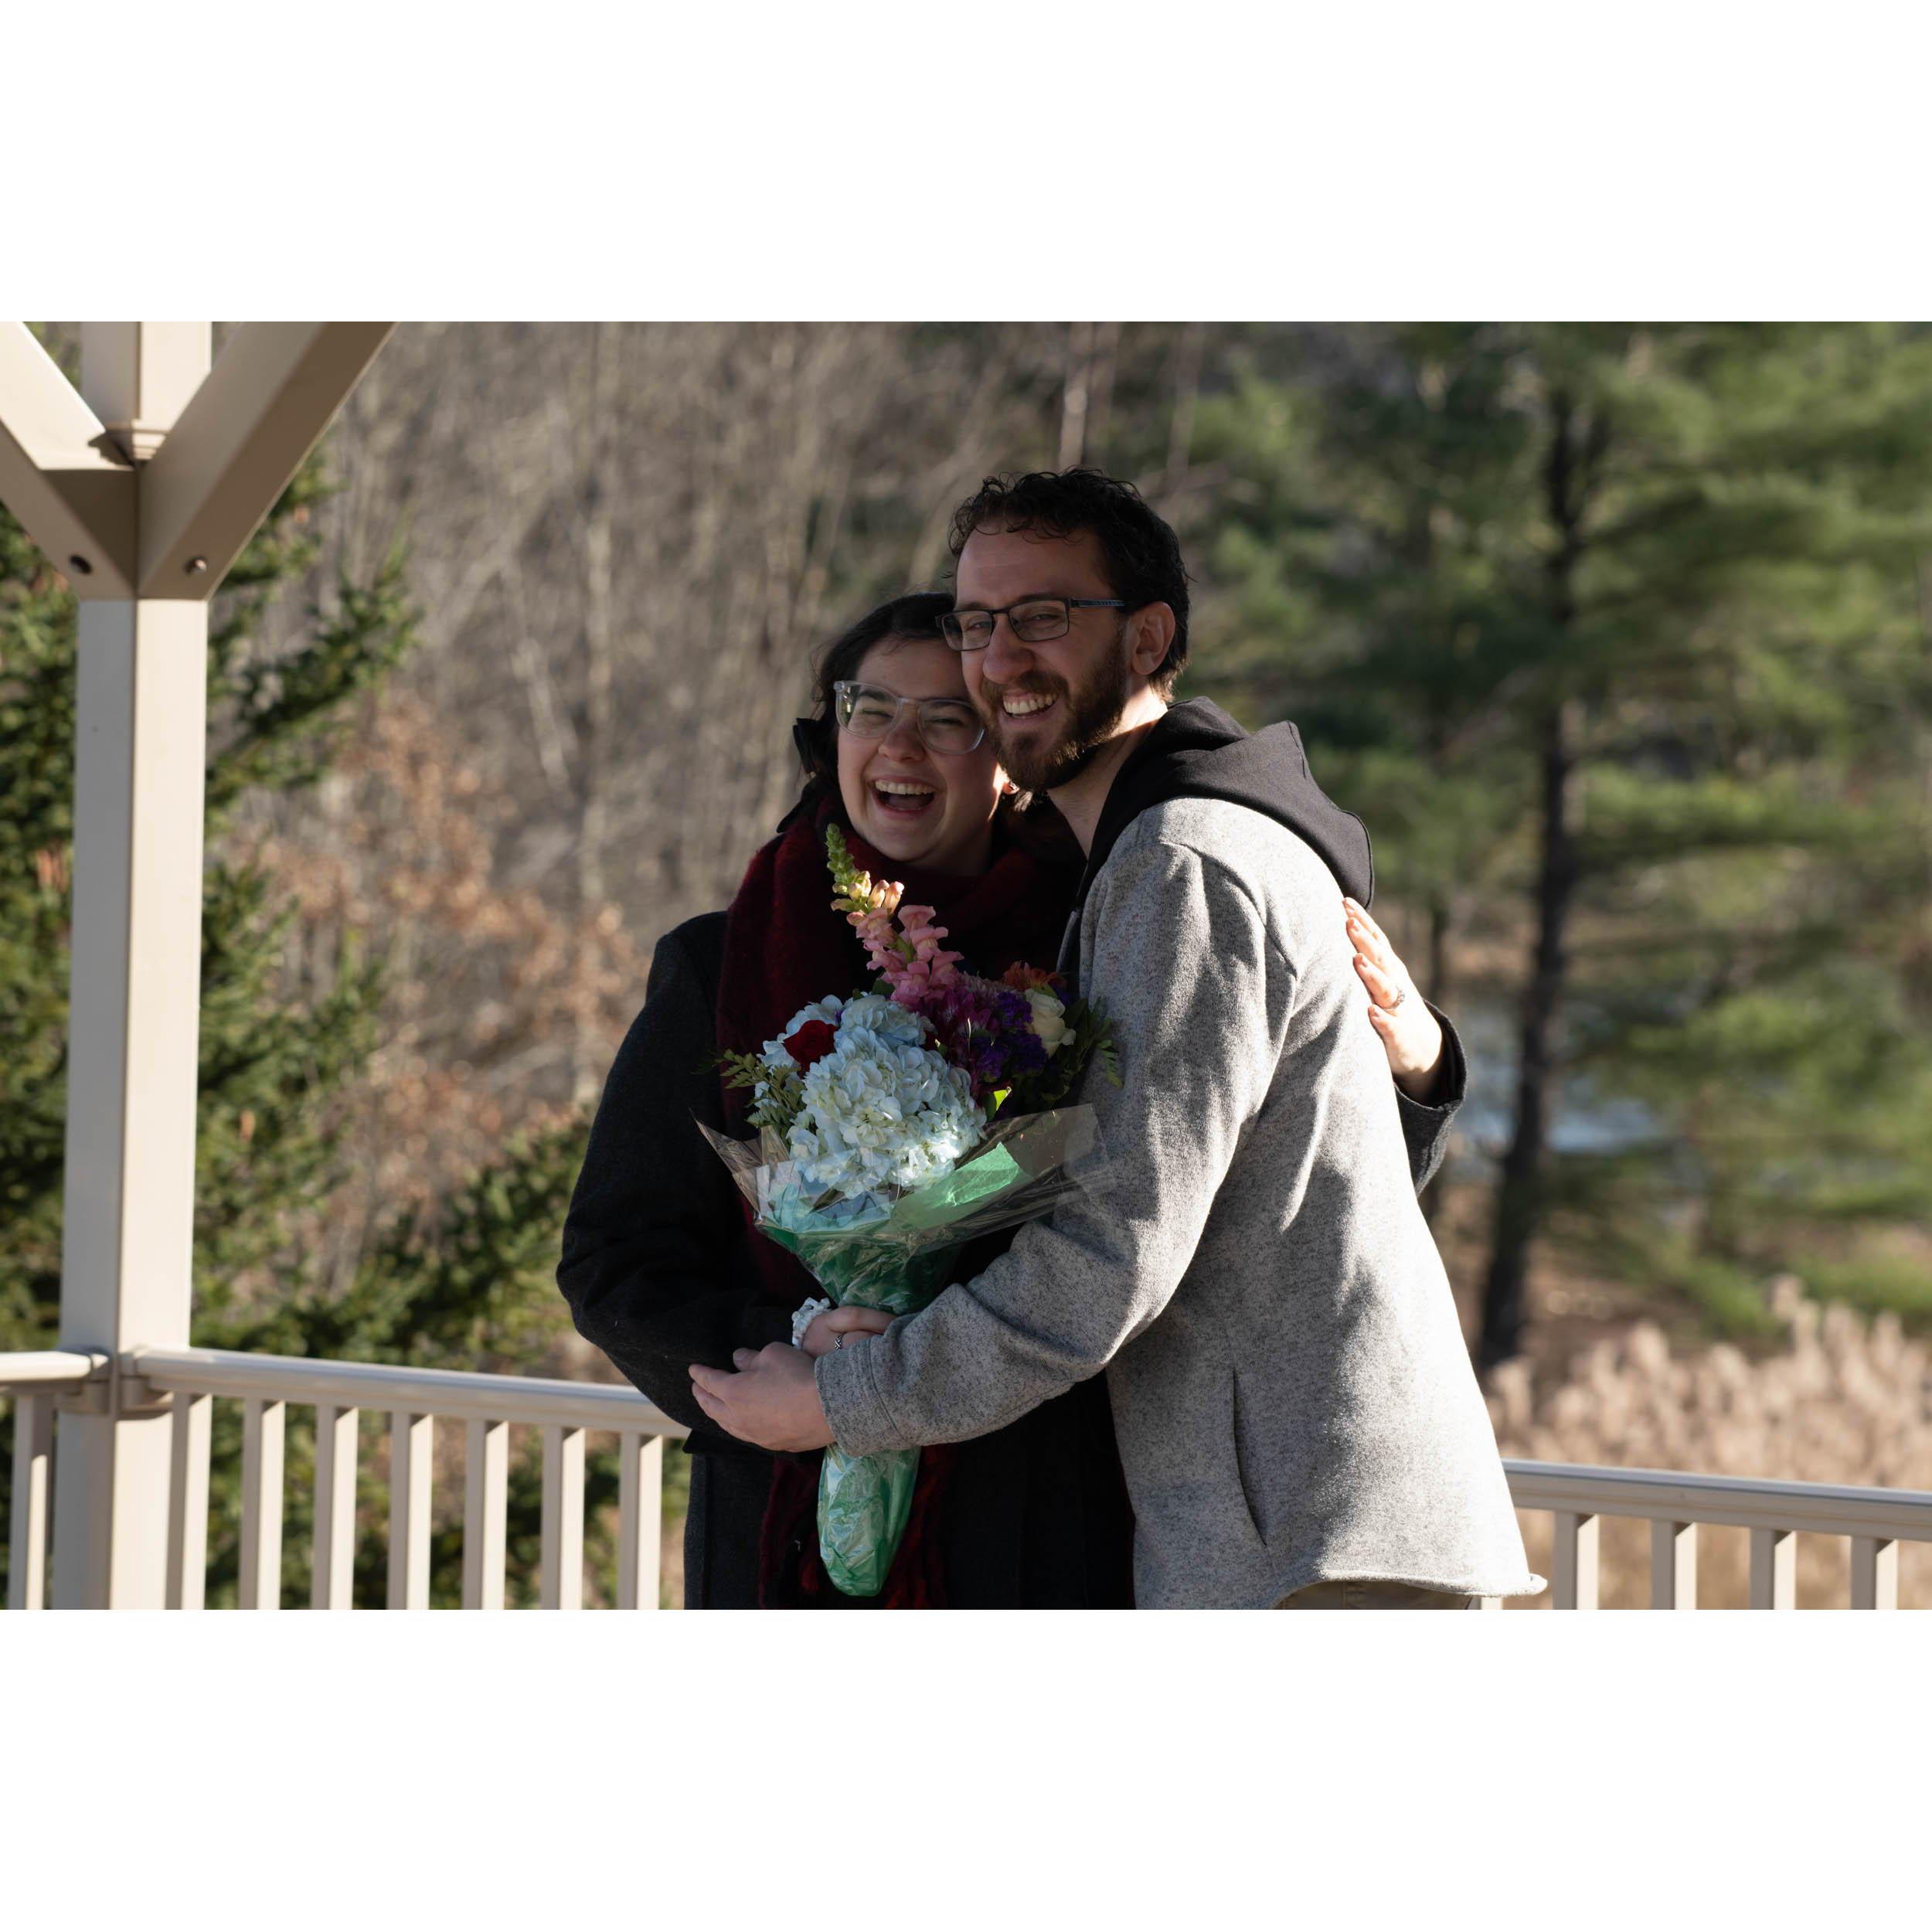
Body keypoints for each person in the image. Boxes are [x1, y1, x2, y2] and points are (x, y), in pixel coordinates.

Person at [689, 472, 1542, 1611]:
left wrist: (846, 1401)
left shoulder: (1180, 867)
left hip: (1312, 1552)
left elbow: (1109, 1253)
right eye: (977, 623)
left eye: (1044, 616)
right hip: (1281, 1534)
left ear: (1147, 638)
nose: (1000, 658)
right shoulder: (1160, 859)